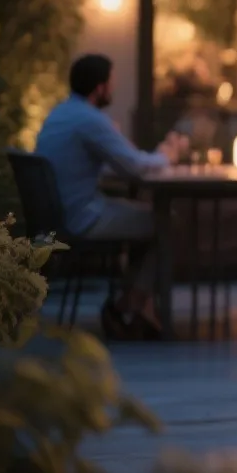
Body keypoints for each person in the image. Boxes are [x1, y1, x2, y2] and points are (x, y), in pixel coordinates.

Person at [34, 54, 187, 338]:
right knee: (167, 223)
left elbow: (111, 162)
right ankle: (131, 303)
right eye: (111, 83)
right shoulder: (89, 119)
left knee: (149, 219)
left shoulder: (63, 112)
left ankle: (135, 304)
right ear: (100, 87)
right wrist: (167, 155)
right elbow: (135, 165)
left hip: (62, 214)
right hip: (82, 217)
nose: (113, 90)